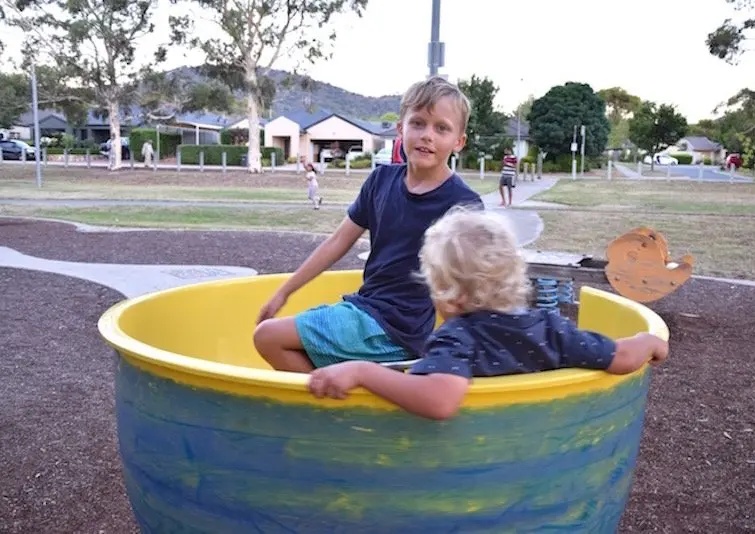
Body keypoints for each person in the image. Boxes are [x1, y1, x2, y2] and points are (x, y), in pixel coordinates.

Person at [307, 207, 670, 420]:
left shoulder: (458, 338)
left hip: (467, 459)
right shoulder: (551, 328)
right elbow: (621, 357)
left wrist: (361, 370)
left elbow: (440, 400)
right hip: (542, 448)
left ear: (450, 295)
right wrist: (648, 341)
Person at [253, 76, 484, 372]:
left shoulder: (463, 205)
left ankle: (334, 413)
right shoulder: (380, 181)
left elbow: (472, 283)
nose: (427, 135)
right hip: (365, 312)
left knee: (268, 336)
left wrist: (460, 348)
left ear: (458, 142)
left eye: (442, 128)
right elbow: (338, 242)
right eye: (418, 123)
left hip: (398, 328)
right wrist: (284, 292)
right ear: (400, 129)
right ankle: (346, 402)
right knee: (291, 346)